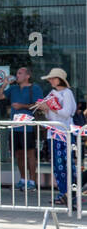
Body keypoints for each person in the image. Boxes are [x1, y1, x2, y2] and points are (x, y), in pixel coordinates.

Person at [34, 68, 77, 206]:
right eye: (50, 78)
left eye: (53, 78)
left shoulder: (67, 93)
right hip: (54, 133)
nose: (50, 81)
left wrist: (49, 107)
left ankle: (70, 194)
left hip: (64, 134)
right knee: (58, 166)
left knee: (66, 165)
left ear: (60, 80)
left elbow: (66, 113)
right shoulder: (52, 93)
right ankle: (63, 193)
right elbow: (50, 116)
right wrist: (45, 109)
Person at [0, 66, 42, 190]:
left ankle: (32, 181)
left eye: (20, 73)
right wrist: (4, 84)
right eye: (17, 73)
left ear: (27, 76)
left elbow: (39, 105)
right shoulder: (13, 88)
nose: (17, 75)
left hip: (28, 126)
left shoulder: (34, 88)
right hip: (15, 126)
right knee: (19, 154)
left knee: (30, 153)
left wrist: (22, 106)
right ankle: (23, 179)